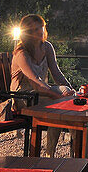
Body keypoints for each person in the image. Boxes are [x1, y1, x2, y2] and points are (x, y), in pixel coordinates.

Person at [11, 13, 74, 156]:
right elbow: (36, 83)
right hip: (23, 97)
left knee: (67, 95)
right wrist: (59, 96)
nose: (40, 31)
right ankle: (52, 152)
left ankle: (76, 147)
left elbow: (56, 74)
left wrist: (71, 89)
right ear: (27, 33)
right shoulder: (22, 53)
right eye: (34, 30)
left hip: (42, 93)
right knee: (60, 102)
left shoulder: (47, 47)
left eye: (41, 27)